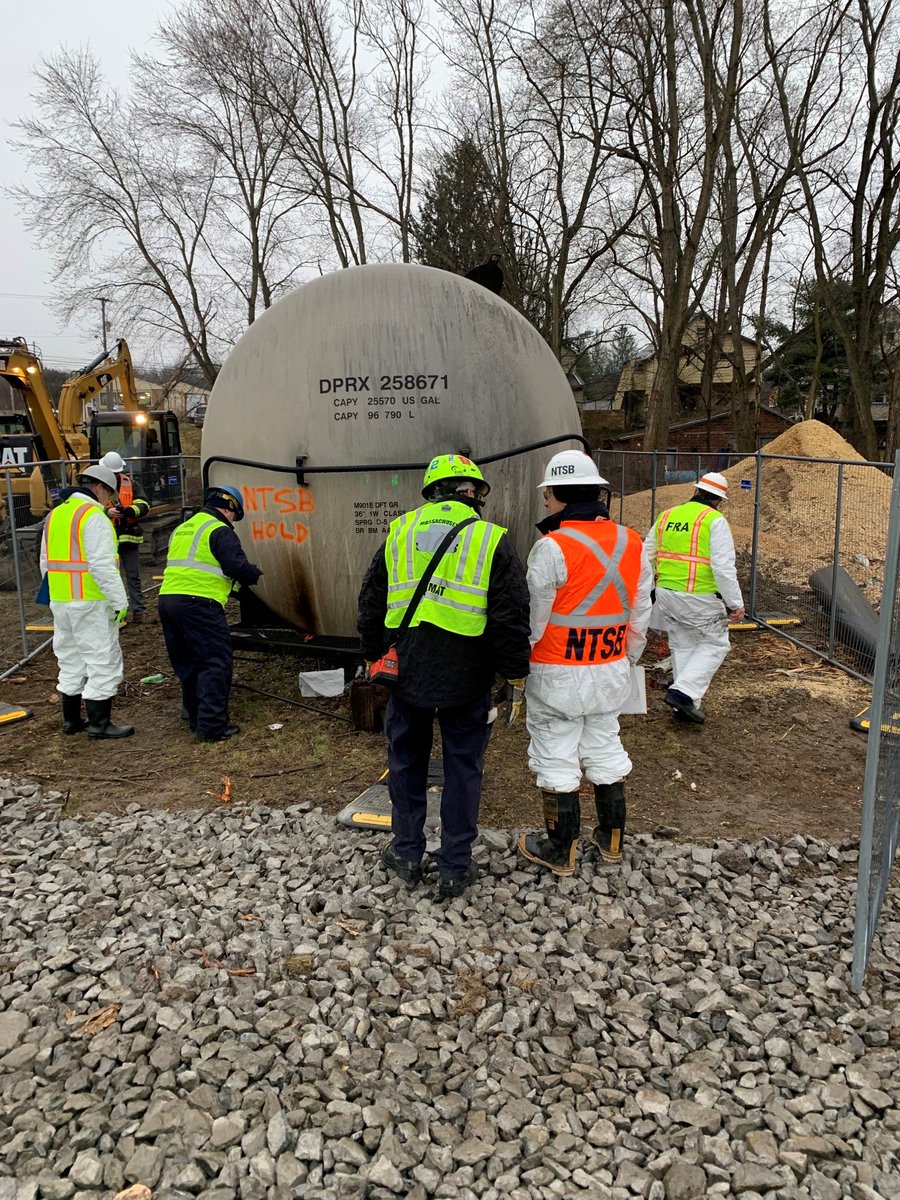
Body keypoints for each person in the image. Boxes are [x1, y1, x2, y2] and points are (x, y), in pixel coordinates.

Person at [358, 453, 531, 900]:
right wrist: (514, 671)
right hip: (467, 674)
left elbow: (371, 600)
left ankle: (407, 853)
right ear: (474, 495)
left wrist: (375, 655)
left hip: (409, 670)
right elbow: (510, 614)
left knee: (406, 762)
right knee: (462, 768)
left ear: (432, 491)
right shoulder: (492, 539)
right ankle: (455, 866)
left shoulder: (399, 531)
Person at [518, 450, 653, 876]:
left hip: (557, 671)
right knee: (605, 746)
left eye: (547, 494)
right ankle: (610, 840)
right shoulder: (633, 542)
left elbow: (534, 621)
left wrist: (519, 661)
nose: (544, 503)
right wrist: (626, 657)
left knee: (556, 754)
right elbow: (640, 611)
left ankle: (560, 849)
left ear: (557, 494)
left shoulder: (551, 547)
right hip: (611, 666)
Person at [158, 485, 262, 743]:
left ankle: (196, 719)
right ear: (229, 508)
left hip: (168, 601)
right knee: (215, 661)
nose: (233, 522)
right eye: (234, 517)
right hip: (199, 604)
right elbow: (236, 566)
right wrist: (255, 573)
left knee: (188, 663)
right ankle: (213, 727)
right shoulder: (219, 530)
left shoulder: (184, 528)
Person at [40, 464, 134, 739]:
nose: (109, 502)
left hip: (61, 601)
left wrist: (57, 595)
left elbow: (45, 563)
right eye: (109, 495)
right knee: (102, 658)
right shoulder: (93, 517)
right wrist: (120, 601)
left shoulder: (55, 515)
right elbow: (101, 565)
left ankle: (71, 720)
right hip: (91, 602)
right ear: (99, 488)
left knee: (70, 658)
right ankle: (99, 724)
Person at [643, 471, 745, 724]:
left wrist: (643, 591)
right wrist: (735, 603)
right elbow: (722, 567)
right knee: (716, 644)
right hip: (698, 596)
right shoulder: (714, 520)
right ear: (719, 499)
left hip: (666, 593)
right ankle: (684, 693)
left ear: (696, 490)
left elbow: (646, 555)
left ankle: (686, 706)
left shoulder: (667, 515)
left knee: (683, 644)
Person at [99, 450, 151, 622]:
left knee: (133, 575)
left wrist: (129, 510)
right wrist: (108, 512)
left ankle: (138, 611)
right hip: (107, 540)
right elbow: (90, 507)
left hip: (128, 537)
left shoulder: (131, 484)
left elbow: (144, 504)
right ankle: (115, 613)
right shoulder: (98, 487)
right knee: (110, 578)